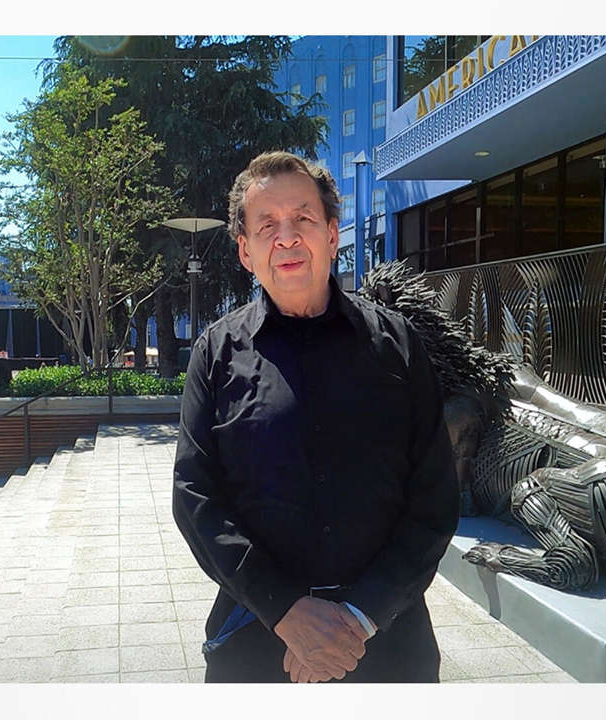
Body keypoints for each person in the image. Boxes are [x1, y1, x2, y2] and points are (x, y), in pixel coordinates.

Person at [172, 151, 459, 683]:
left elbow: (435, 498)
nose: (286, 238)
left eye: (302, 218)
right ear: (246, 251)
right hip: (256, 642)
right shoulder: (215, 353)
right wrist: (284, 610)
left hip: (387, 646)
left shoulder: (397, 344)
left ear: (331, 235)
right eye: (267, 225)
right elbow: (195, 499)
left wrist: (360, 616)